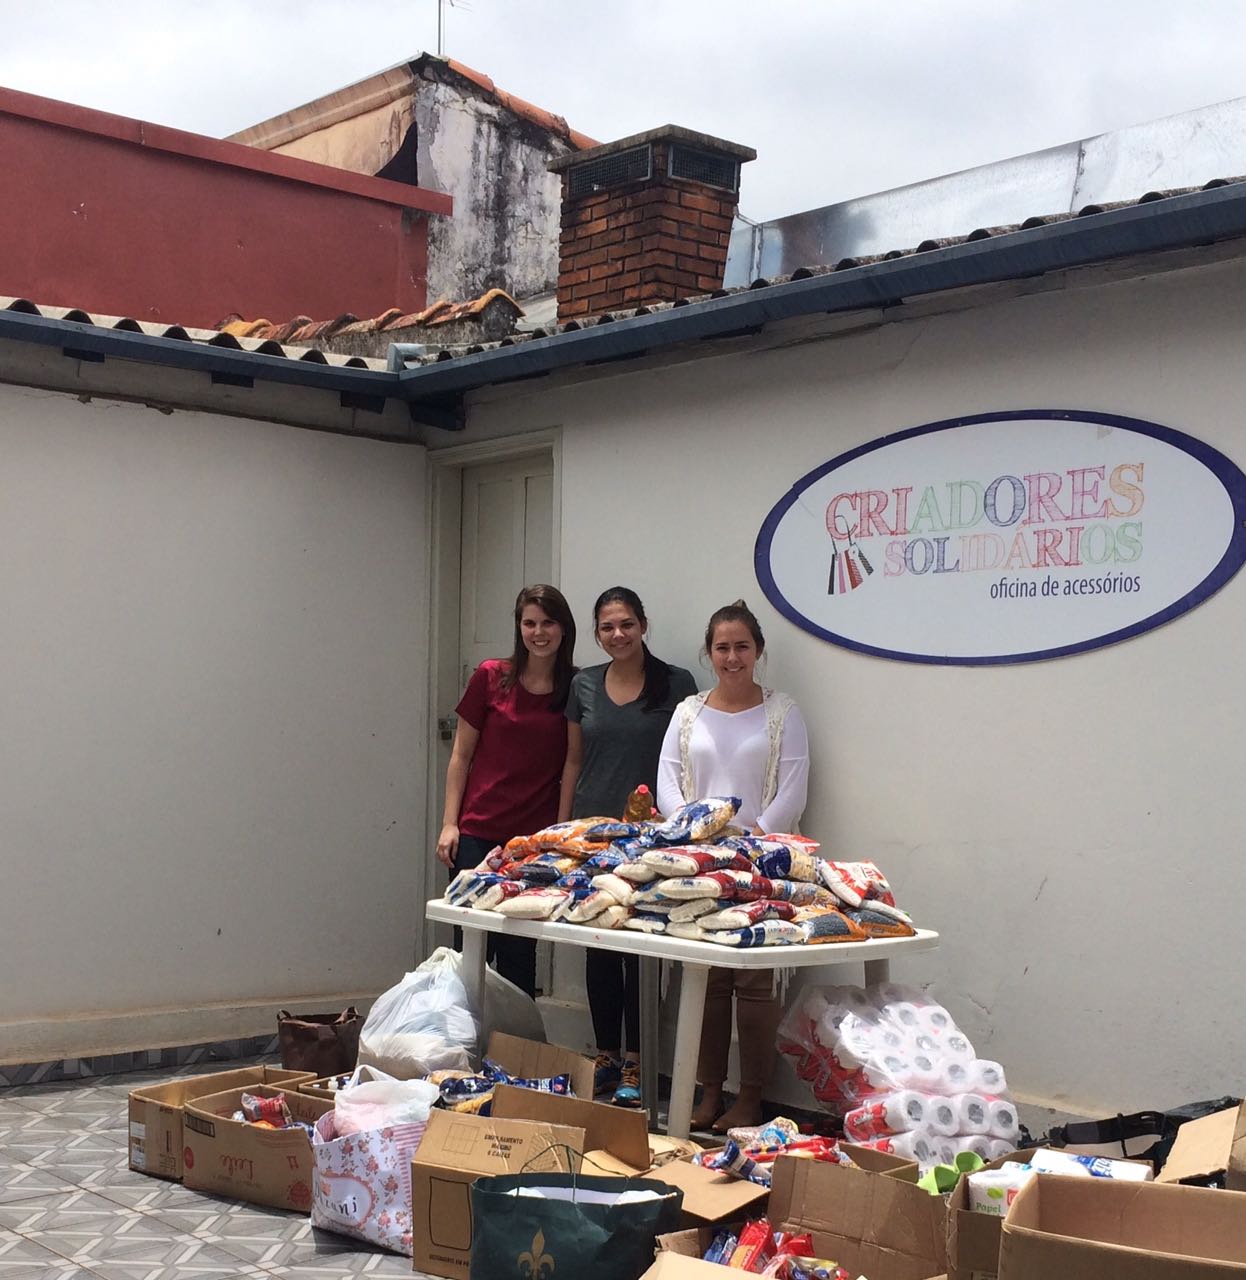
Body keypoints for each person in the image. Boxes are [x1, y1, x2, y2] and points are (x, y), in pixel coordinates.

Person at [657, 599, 809, 1131]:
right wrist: (700, 839)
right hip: (699, 865)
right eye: (722, 647)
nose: (732, 656)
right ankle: (708, 1093)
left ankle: (751, 1096)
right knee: (709, 979)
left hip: (762, 865)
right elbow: (669, 786)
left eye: (742, 646)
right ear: (709, 652)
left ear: (758, 650)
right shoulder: (688, 712)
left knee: (755, 984)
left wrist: (749, 843)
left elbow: (790, 792)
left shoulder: (782, 713)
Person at [559, 587, 697, 1107]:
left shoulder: (676, 683)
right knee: (598, 948)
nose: (617, 635)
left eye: (626, 624)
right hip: (592, 833)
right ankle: (607, 1056)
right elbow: (573, 760)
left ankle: (641, 1060)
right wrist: (561, 829)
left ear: (643, 624)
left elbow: (685, 757)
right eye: (607, 627)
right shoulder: (583, 685)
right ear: (597, 633)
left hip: (650, 837)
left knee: (641, 950)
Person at [436, 584, 577, 998]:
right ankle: (464, 1048)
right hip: (478, 831)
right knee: (472, 950)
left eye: (548, 622)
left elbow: (572, 763)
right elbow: (461, 755)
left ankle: (513, 1054)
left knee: (520, 955)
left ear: (563, 628)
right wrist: (449, 824)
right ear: (519, 627)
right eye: (529, 622)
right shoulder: (491, 676)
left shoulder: (576, 686)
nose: (539, 632)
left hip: (532, 842)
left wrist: (562, 834)